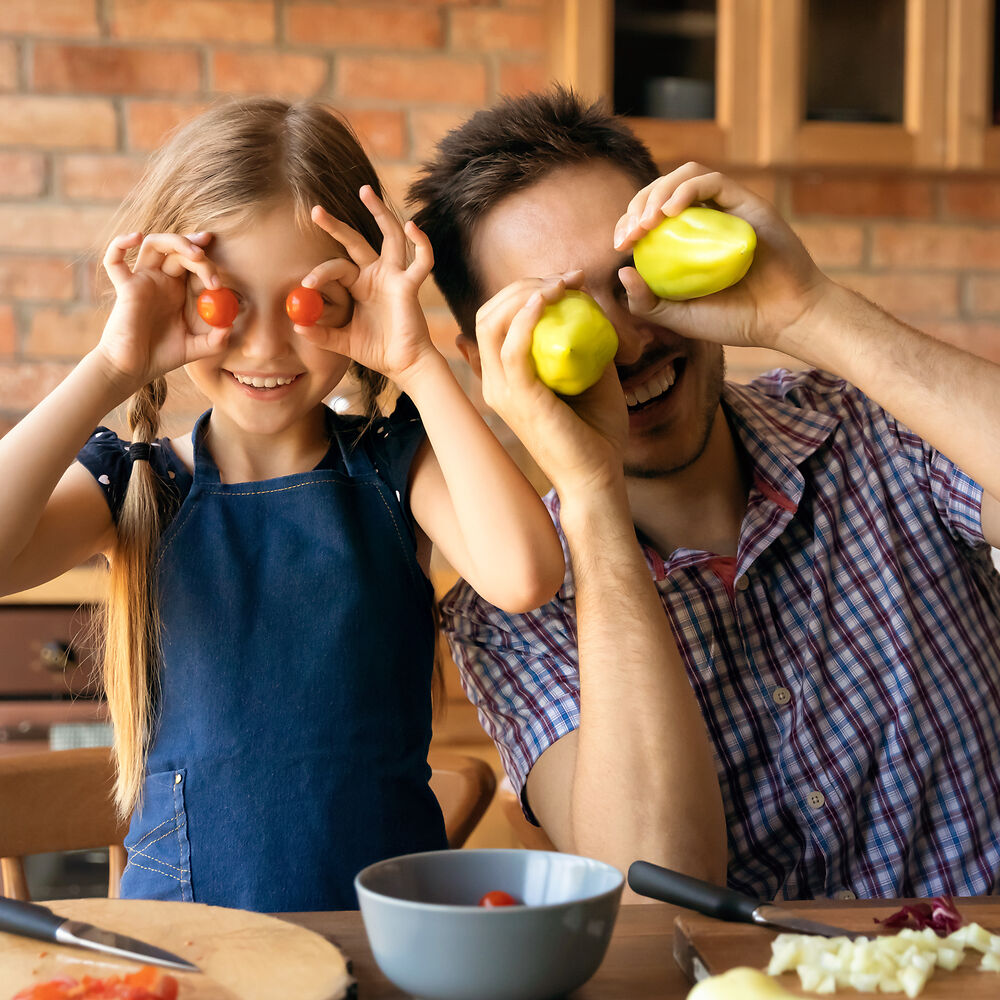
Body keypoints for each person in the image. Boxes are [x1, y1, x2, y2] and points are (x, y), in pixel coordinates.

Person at [408, 87, 1000, 901]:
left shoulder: (872, 427)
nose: (623, 340)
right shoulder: (515, 618)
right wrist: (591, 493)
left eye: (630, 278)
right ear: (490, 367)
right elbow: (656, 890)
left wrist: (811, 310)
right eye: (562, 310)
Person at [0, 98, 565, 912]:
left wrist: (417, 361)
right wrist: (110, 367)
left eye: (309, 303)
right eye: (221, 302)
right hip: (194, 950)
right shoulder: (137, 481)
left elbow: (524, 575)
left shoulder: (397, 461)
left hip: (382, 941)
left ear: (361, 294)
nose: (265, 348)